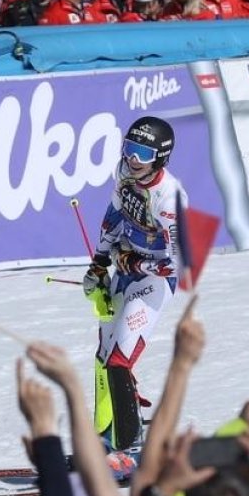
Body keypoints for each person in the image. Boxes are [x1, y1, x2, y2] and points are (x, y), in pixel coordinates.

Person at [81, 116, 188, 452]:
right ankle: (108, 435)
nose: (133, 158)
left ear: (160, 157)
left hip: (154, 281)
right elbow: (114, 216)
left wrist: (137, 263)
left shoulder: (169, 198)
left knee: (119, 361)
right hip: (124, 272)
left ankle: (128, 447)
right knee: (103, 359)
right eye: (129, 148)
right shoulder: (125, 173)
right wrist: (99, 263)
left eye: (143, 153)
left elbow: (179, 265)